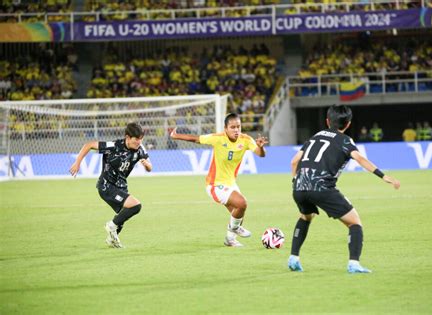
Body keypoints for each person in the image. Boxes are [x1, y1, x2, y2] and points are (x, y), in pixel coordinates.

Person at [287, 105, 400, 273]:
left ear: (327, 121)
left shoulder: (315, 136)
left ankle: (293, 258)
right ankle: (354, 264)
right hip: (322, 187)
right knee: (355, 223)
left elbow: (294, 161)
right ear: (348, 124)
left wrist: (295, 181)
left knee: (305, 217)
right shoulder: (346, 141)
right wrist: (383, 176)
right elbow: (360, 159)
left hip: (299, 187)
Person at [170, 113, 268, 247]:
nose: (236, 130)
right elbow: (196, 139)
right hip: (214, 185)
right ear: (225, 128)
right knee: (242, 203)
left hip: (231, 183)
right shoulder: (218, 138)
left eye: (238, 127)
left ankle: (230, 239)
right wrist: (176, 136)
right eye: (232, 127)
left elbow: (260, 154)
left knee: (238, 212)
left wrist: (261, 147)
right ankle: (234, 228)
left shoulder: (245, 140)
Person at [69, 122, 152, 248]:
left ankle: (111, 240)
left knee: (123, 216)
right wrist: (77, 162)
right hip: (106, 186)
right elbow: (89, 145)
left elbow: (150, 167)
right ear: (128, 137)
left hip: (121, 186)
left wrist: (146, 165)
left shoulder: (140, 149)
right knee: (136, 206)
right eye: (136, 139)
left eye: (141, 139)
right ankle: (111, 226)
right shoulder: (114, 146)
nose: (139, 142)